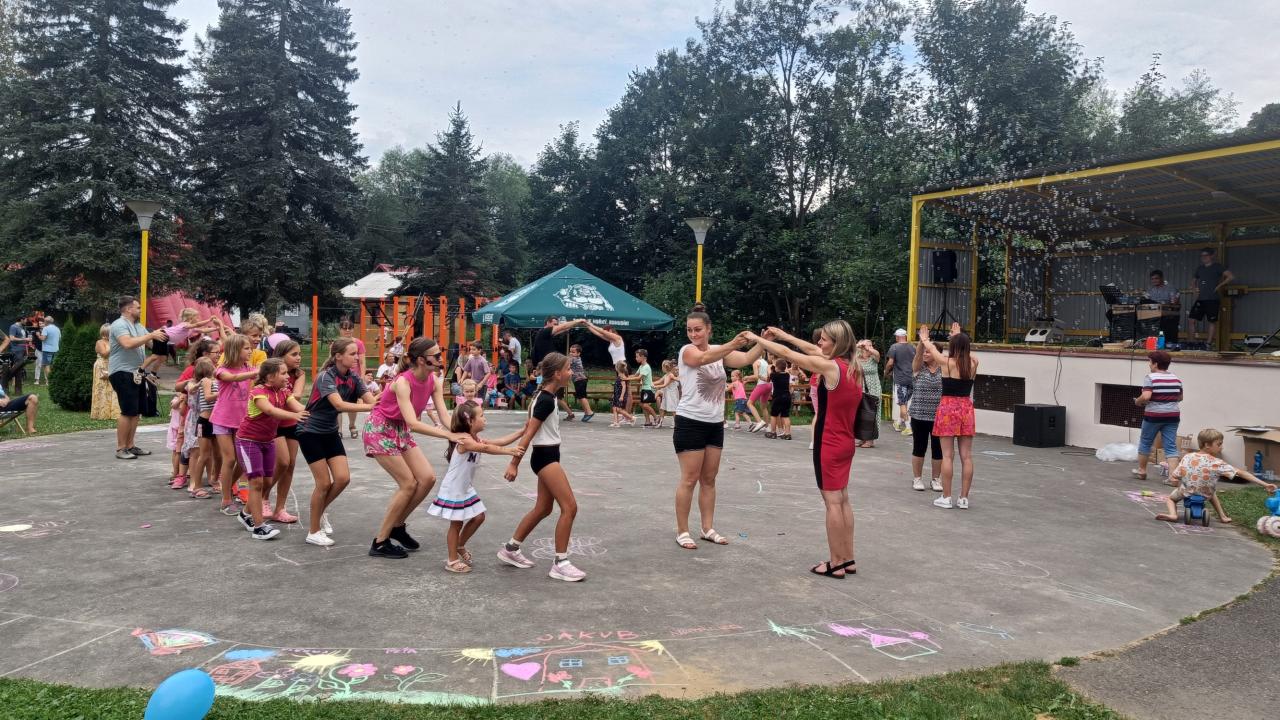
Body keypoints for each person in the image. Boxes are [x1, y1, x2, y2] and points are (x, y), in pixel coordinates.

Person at [744, 322, 862, 579]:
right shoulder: (853, 367)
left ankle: (836, 563)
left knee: (832, 503)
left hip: (828, 442)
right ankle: (848, 558)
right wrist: (783, 335)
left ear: (837, 344)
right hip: (846, 442)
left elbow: (790, 355)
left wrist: (758, 339)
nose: (819, 342)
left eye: (824, 339)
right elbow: (809, 349)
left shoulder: (830, 368)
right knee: (843, 499)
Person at [364, 337, 465, 559]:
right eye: (436, 356)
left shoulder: (434, 380)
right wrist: (448, 435)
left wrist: (464, 433)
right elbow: (413, 423)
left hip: (399, 429)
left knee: (427, 478)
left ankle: (397, 526)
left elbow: (444, 416)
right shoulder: (403, 382)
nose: (441, 358)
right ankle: (380, 542)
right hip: (380, 429)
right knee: (408, 484)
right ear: (421, 360)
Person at [672, 304, 762, 550]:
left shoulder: (719, 351)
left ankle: (707, 528)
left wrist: (764, 342)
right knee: (689, 479)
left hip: (714, 423)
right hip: (690, 422)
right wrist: (733, 343)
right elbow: (702, 358)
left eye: (698, 329)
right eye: (690, 330)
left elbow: (746, 359)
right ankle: (682, 531)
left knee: (709, 479)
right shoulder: (687, 351)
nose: (693, 334)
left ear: (708, 329)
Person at [498, 352, 588, 581]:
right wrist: (513, 463)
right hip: (545, 458)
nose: (571, 373)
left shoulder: (546, 396)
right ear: (557, 374)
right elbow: (529, 433)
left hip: (548, 456)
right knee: (570, 507)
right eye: (568, 369)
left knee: (543, 508)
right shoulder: (545, 400)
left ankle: (510, 548)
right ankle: (561, 563)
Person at [296, 338, 377, 547]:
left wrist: (392, 393)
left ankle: (319, 511)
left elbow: (373, 401)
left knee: (342, 479)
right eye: (352, 354)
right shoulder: (326, 377)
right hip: (309, 432)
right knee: (323, 483)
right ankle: (313, 531)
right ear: (338, 356)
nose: (357, 357)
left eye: (357, 353)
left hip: (329, 432)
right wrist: (371, 408)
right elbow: (339, 405)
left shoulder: (354, 378)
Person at [427, 403, 525, 573]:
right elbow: (486, 448)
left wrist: (522, 432)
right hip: (454, 489)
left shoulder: (475, 438)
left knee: (479, 517)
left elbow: (499, 441)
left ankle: (460, 545)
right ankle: (452, 560)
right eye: (481, 416)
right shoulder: (464, 440)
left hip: (465, 488)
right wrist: (510, 451)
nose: (485, 419)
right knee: (456, 524)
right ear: (470, 421)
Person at [235, 359, 308, 540]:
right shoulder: (258, 392)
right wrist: (295, 415)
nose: (287, 376)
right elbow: (270, 411)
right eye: (283, 373)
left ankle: (245, 514)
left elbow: (299, 407)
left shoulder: (283, 391)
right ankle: (259, 527)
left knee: (267, 483)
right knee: (256, 483)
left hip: (267, 441)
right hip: (248, 441)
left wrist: (314, 412)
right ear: (269, 377)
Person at [1155, 428, 1276, 523]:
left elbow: (1175, 475)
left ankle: (1173, 514)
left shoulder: (1187, 456)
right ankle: (1222, 516)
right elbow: (1241, 473)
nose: (1221, 447)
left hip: (1186, 492)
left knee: (1171, 499)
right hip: (1206, 493)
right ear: (1207, 445)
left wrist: (1176, 478)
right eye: (1219, 444)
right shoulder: (1217, 463)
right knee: (1212, 492)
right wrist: (1265, 484)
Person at [917, 323, 978, 509]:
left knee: (947, 456)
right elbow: (967, 355)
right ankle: (964, 498)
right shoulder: (974, 362)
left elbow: (932, 350)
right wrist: (959, 337)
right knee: (966, 456)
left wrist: (924, 339)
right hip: (966, 408)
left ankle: (947, 497)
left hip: (948, 409)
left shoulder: (946, 363)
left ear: (953, 346)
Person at [108, 297, 168, 460]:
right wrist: (151, 336)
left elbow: (151, 344)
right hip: (122, 372)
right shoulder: (119, 324)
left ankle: (130, 445)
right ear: (128, 309)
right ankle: (121, 448)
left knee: (136, 412)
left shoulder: (138, 326)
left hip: (137, 372)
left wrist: (165, 337)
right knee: (127, 411)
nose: (141, 310)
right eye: (138, 307)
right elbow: (127, 343)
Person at [210, 335, 257, 515]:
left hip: (241, 420)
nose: (250, 351)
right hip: (222, 420)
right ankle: (226, 500)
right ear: (235, 350)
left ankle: (228, 486)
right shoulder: (221, 370)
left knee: (242, 460)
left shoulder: (248, 368)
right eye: (246, 348)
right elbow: (232, 378)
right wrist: (254, 373)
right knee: (229, 459)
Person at [266, 340, 307, 524]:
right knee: (282, 462)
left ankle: (280, 509)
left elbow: (296, 395)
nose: (298, 358)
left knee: (290, 465)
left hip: (291, 422)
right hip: (274, 423)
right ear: (281, 356)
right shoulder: (270, 373)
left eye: (299, 354)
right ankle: (263, 496)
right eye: (294, 354)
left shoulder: (299, 374)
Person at [1132, 350, 1182, 481]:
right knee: (1170, 446)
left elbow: (1146, 396)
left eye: (1150, 362)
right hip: (1173, 415)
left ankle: (1142, 471)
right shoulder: (1176, 379)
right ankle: (1173, 477)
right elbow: (1180, 398)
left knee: (1145, 442)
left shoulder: (1150, 378)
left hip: (1153, 415)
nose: (1149, 364)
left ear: (1155, 364)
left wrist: (1138, 401)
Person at [908, 334, 944, 492]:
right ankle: (917, 478)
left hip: (939, 416)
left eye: (928, 351)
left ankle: (936, 479)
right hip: (919, 415)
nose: (925, 354)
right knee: (919, 447)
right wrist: (923, 342)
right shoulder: (919, 368)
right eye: (925, 351)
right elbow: (917, 355)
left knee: (938, 449)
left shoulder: (944, 369)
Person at [141, 309, 222, 376]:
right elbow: (197, 324)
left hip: (165, 339)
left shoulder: (191, 329)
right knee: (155, 356)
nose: (198, 319)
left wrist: (216, 328)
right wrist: (209, 320)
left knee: (163, 358)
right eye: (197, 317)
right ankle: (140, 370)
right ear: (190, 318)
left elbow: (203, 330)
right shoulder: (185, 324)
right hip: (161, 335)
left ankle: (153, 373)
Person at [185, 357, 219, 498]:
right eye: (212, 365)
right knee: (203, 454)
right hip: (204, 422)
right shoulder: (205, 381)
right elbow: (208, 397)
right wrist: (224, 393)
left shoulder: (215, 381)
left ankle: (214, 480)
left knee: (218, 455)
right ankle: (197, 487)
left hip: (216, 421)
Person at [1189, 247, 1233, 348]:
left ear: (1212, 256)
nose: (1203, 257)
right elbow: (1193, 282)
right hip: (1200, 299)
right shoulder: (1200, 268)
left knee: (1211, 321)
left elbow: (1230, 277)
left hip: (1212, 298)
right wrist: (1194, 290)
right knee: (1191, 319)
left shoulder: (1217, 267)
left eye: (1206, 255)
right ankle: (1191, 342)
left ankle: (1208, 344)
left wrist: (1219, 286)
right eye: (1202, 256)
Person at [336, 319, 366, 438]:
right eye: (345, 328)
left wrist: (362, 377)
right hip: (338, 376)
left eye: (350, 328)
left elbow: (362, 362)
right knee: (338, 402)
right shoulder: (336, 343)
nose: (347, 330)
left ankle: (352, 425)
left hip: (353, 377)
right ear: (340, 329)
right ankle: (339, 429)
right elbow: (332, 360)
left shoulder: (359, 343)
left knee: (352, 402)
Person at [884, 328, 915, 434]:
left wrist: (886, 372)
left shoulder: (894, 347)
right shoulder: (912, 347)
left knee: (902, 403)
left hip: (901, 379)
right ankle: (898, 423)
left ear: (897, 337)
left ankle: (908, 427)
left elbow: (890, 363)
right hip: (912, 378)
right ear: (905, 336)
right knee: (905, 402)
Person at [90, 324, 121, 421]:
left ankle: (115, 412)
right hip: (102, 366)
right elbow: (104, 354)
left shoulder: (114, 341)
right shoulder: (99, 342)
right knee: (102, 389)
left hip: (113, 365)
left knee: (114, 388)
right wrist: (114, 344)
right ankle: (102, 413)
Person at [854, 339, 881, 448]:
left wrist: (868, 348)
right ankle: (862, 437)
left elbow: (877, 354)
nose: (870, 347)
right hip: (861, 389)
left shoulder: (873, 358)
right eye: (867, 345)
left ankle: (870, 439)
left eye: (871, 345)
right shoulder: (857, 358)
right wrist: (858, 345)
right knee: (861, 413)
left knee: (872, 414)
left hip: (873, 389)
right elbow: (848, 352)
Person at [630, 349, 659, 427]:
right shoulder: (641, 366)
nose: (636, 358)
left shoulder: (646, 367)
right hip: (644, 388)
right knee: (643, 405)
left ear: (643, 357)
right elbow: (635, 375)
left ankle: (656, 418)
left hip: (649, 389)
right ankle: (647, 421)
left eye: (637, 357)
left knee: (645, 405)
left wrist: (626, 379)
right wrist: (626, 376)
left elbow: (639, 377)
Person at [745, 352, 772, 433]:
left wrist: (747, 377)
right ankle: (767, 427)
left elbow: (756, 377)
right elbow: (766, 375)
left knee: (749, 403)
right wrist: (749, 379)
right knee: (763, 407)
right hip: (769, 385)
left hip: (761, 385)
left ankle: (760, 421)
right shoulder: (765, 362)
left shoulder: (756, 363)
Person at [767, 357, 792, 440]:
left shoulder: (774, 375)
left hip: (777, 397)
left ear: (777, 367)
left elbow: (769, 373)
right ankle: (788, 434)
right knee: (786, 415)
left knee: (774, 415)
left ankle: (773, 432)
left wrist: (770, 367)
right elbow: (784, 370)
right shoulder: (787, 375)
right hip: (787, 397)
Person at [567, 344, 594, 421]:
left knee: (582, 397)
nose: (571, 353)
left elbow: (567, 366)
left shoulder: (573, 359)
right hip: (580, 380)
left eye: (573, 352)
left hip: (580, 380)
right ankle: (586, 412)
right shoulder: (576, 358)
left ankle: (589, 412)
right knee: (581, 397)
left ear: (578, 353)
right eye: (570, 352)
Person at [4, 317, 30, 394]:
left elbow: (22, 338)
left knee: (20, 366)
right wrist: (25, 339)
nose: (26, 321)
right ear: (21, 319)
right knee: (16, 365)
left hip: (22, 349)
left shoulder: (21, 327)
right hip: (16, 349)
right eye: (25, 320)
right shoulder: (13, 327)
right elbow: (12, 338)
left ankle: (18, 382)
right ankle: (13, 382)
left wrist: (26, 342)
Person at [34, 315, 60, 386]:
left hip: (47, 350)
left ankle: (49, 382)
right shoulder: (57, 328)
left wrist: (38, 335)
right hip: (56, 349)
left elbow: (43, 338)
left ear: (46, 322)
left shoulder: (46, 328)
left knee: (46, 365)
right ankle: (54, 380)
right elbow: (59, 338)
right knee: (52, 365)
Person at [653, 359, 680, 428]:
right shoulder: (666, 375)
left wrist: (655, 386)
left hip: (672, 394)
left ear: (665, 368)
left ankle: (676, 423)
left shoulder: (670, 375)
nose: (662, 368)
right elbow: (659, 381)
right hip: (667, 394)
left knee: (673, 408)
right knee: (663, 407)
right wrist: (651, 383)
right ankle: (660, 423)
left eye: (662, 367)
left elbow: (665, 384)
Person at [609, 361, 634, 428]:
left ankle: (631, 418)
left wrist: (622, 396)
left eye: (615, 366)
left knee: (619, 409)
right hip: (617, 395)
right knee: (614, 408)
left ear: (617, 368)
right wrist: (614, 394)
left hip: (620, 395)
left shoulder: (622, 376)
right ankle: (616, 422)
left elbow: (624, 387)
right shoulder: (619, 375)